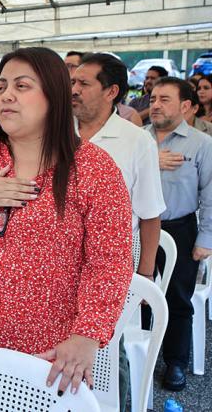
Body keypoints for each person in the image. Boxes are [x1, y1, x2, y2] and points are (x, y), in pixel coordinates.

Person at [0, 47, 132, 397]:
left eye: (22, 86)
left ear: (54, 95)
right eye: (1, 88)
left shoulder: (93, 168)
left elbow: (110, 261)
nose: (7, 96)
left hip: (50, 353)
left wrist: (86, 336)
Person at [72, 53, 166, 407]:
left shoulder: (135, 141)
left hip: (110, 268)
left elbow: (150, 214)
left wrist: (144, 276)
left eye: (84, 83)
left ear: (111, 91)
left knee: (111, 348)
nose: (74, 90)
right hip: (56, 263)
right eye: (73, 83)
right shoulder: (57, 133)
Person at [146, 77, 212, 391]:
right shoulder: (138, 140)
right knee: (139, 295)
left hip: (179, 228)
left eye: (165, 99)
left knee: (178, 299)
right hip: (138, 227)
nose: (155, 105)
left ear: (185, 106)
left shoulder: (201, 144)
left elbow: (210, 194)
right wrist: (149, 161)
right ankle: (142, 352)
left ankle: (175, 362)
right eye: (153, 98)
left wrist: (205, 239)